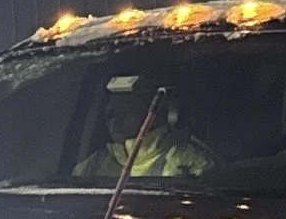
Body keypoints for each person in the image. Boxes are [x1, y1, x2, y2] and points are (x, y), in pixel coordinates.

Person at [75, 78, 214, 182]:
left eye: (126, 112)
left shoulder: (184, 159)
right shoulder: (93, 164)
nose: (116, 121)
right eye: (111, 114)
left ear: (151, 114)